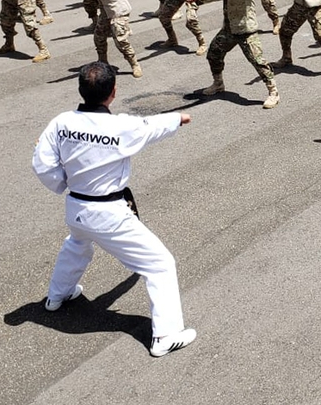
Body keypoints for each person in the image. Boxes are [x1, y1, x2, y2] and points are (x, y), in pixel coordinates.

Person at [33, 62, 198, 356]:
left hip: (76, 207)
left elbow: (42, 164)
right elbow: (152, 126)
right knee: (160, 264)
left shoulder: (61, 123)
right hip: (109, 213)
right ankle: (165, 336)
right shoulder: (121, 126)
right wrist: (179, 118)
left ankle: (57, 297)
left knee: (77, 245)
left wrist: (61, 184)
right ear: (113, 92)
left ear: (81, 90)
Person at [186, 0, 280, 108]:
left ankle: (273, 92)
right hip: (230, 28)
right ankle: (218, 84)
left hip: (245, 29)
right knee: (214, 54)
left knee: (258, 62)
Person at [64, 0, 142, 78]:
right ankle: (103, 62)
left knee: (121, 41)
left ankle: (134, 64)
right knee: (99, 36)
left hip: (118, 11)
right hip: (106, 11)